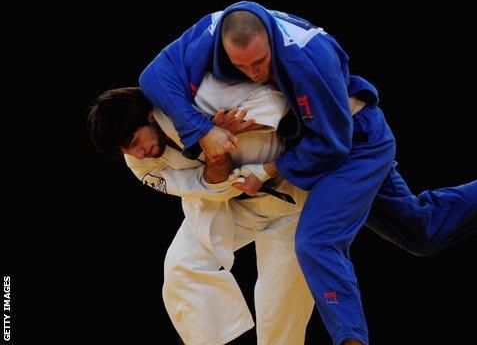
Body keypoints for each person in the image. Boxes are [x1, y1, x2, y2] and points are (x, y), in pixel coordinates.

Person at [138, 1, 477, 344]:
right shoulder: (214, 30)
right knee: (421, 230)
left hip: (355, 146)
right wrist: (202, 130)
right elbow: (153, 75)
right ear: (224, 48)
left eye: (261, 63)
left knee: (316, 241)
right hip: (328, 143)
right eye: (243, 66)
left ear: (270, 39)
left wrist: (268, 169)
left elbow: (332, 144)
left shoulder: (307, 57)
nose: (254, 74)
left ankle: (351, 340)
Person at [87, 79, 317, 345]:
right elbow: (208, 187)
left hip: (289, 194)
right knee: (180, 268)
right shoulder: (138, 163)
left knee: (279, 306)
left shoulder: (190, 102)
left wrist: (239, 124)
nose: (138, 154)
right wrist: (213, 144)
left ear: (148, 115)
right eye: (127, 149)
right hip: (224, 204)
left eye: (136, 141)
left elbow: (278, 97)